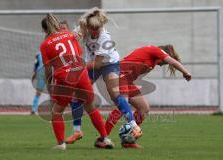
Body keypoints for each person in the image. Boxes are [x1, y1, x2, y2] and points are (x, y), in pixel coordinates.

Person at [66, 7, 142, 145]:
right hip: (91, 63)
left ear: (101, 26)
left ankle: (134, 126)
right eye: (92, 29)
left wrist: (77, 65)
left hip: (108, 64)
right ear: (88, 26)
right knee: (77, 96)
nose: (94, 32)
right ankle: (77, 131)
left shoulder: (105, 37)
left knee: (115, 95)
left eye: (97, 29)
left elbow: (97, 64)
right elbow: (70, 40)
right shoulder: (83, 27)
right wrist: (73, 37)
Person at [40, 13, 114, 150]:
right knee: (90, 107)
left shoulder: (45, 45)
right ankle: (105, 138)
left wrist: (49, 84)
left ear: (44, 30)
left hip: (64, 78)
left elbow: (48, 69)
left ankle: (61, 144)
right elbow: (78, 53)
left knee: (57, 111)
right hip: (81, 73)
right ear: (57, 24)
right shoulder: (69, 34)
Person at [105, 44, 192, 148]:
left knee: (144, 108)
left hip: (127, 80)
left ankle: (128, 140)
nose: (163, 65)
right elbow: (172, 61)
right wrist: (185, 72)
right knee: (122, 107)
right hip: (119, 75)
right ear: (164, 54)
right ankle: (103, 137)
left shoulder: (152, 59)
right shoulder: (156, 50)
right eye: (164, 62)